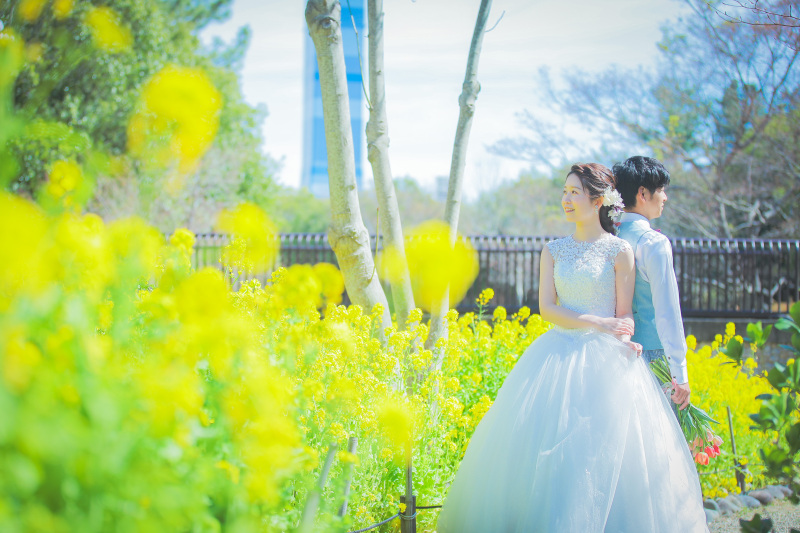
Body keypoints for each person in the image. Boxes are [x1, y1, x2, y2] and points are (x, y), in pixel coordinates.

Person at [436, 163, 708, 532]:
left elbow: (624, 316)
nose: (566, 199)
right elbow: (547, 309)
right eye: (564, 192)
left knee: (603, 454)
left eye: (574, 192)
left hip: (607, 363)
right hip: (556, 356)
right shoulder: (553, 250)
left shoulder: (621, 251)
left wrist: (625, 343)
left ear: (599, 200)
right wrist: (598, 322)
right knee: (550, 452)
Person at [613, 156, 691, 411]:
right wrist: (680, 372)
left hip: (611, 357)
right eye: (661, 190)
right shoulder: (654, 243)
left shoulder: (607, 236)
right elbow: (667, 310)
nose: (665, 197)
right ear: (643, 193)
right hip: (651, 358)